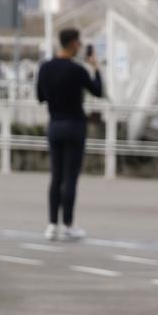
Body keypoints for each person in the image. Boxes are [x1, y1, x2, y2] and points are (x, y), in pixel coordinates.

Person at [35, 26, 103, 240]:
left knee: (56, 176)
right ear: (73, 43)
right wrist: (96, 68)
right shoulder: (77, 70)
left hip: (55, 125)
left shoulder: (45, 68)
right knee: (70, 178)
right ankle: (68, 225)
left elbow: (40, 97)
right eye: (79, 43)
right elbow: (98, 91)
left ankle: (52, 225)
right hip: (75, 126)